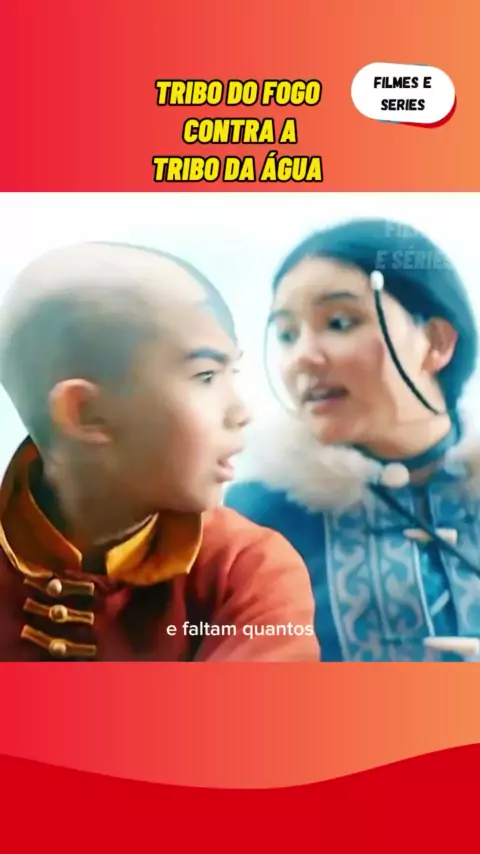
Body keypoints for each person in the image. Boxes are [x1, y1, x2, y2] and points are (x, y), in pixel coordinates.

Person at [0, 241, 318, 662]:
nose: (242, 412)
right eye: (206, 376)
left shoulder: (245, 568)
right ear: (86, 412)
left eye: (233, 372)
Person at [225, 217, 480, 662]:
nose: (302, 357)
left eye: (340, 322)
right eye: (286, 335)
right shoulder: (254, 523)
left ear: (437, 341)